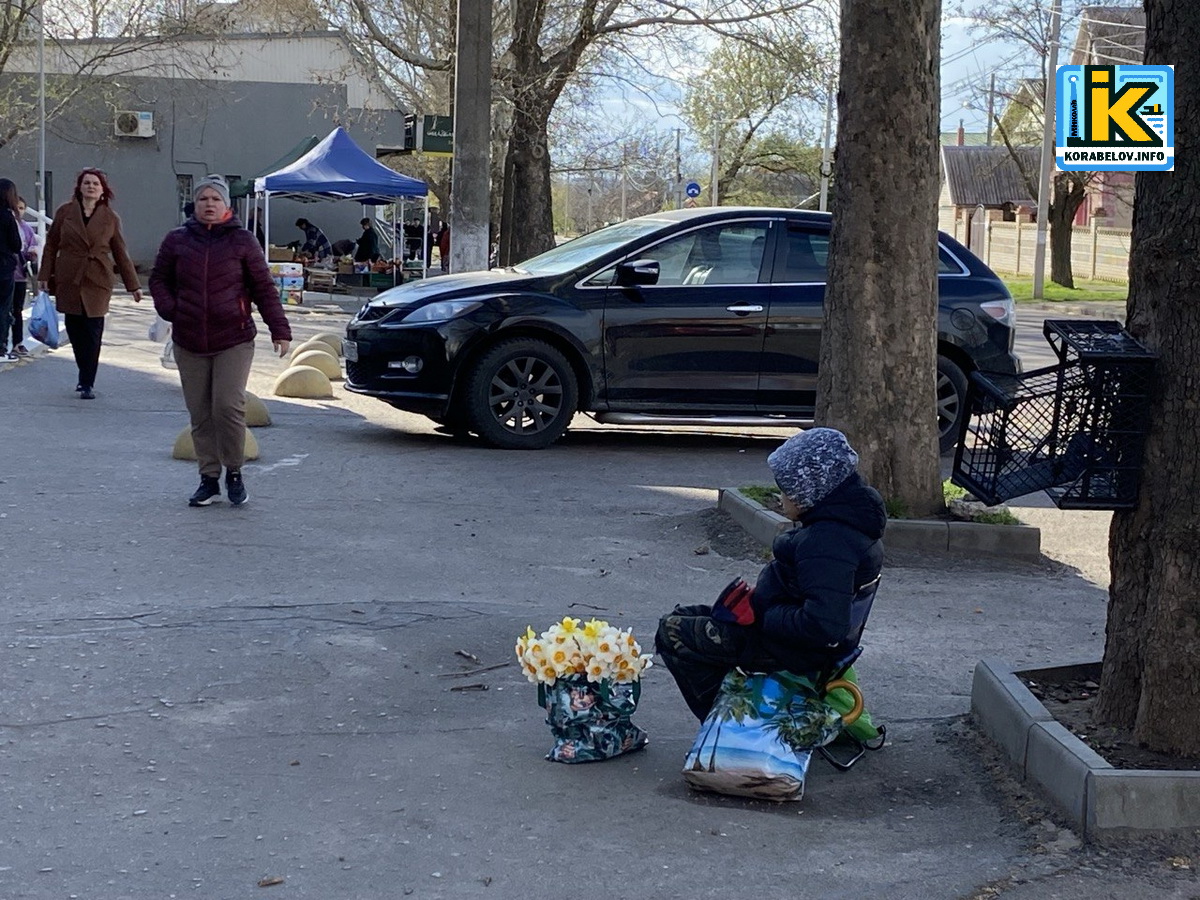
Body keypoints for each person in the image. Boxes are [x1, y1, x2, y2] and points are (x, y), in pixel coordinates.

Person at [655, 427, 886, 720]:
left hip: (787, 649)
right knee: (685, 616)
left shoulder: (828, 542)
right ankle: (733, 713)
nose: (780, 497)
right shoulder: (840, 523)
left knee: (672, 631)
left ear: (808, 491)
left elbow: (824, 626)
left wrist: (762, 615)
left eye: (786, 489)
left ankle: (732, 720)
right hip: (782, 635)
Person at [150, 175, 292, 507]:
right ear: (194, 205)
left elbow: (263, 288)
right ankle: (208, 479)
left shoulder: (243, 241)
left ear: (227, 205)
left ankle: (235, 473)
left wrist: (279, 328)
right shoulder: (177, 240)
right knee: (200, 412)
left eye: (216, 199)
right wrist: (172, 309)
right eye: (203, 199)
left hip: (234, 338)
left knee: (227, 406)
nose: (210, 204)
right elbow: (159, 279)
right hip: (189, 339)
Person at [37, 168, 142, 398]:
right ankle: (83, 370)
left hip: (97, 278)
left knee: (93, 331)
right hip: (70, 276)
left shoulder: (110, 218)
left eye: (95, 183)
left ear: (103, 190)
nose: (91, 186)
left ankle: (86, 382)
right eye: (87, 183)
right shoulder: (65, 213)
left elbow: (120, 252)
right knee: (75, 329)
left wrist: (133, 285)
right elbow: (51, 245)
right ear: (80, 187)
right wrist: (44, 276)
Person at [9, 196, 39, 358]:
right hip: (6, 274)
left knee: (17, 310)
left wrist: (32, 254)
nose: (18, 211)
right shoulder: (6, 225)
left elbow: (32, 244)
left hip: (20, 275)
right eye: (15, 208)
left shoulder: (26, 228)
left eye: (21, 208)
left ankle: (17, 342)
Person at [0, 179, 21, 360]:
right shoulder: (7, 217)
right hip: (3, 269)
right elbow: (16, 245)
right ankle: (1, 346)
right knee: (3, 308)